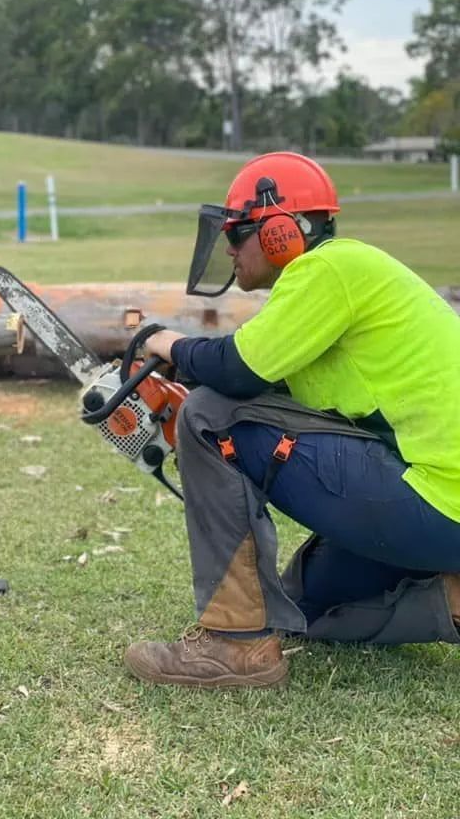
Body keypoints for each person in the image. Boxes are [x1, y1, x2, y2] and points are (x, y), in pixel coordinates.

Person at [124, 151, 460, 690]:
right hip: (441, 507)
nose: (230, 249)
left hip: (437, 497)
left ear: (282, 230)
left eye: (238, 234)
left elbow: (236, 368)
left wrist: (168, 342)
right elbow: (260, 382)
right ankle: (452, 597)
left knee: (205, 416)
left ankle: (234, 645)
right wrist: (189, 366)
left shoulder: (328, 268)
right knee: (304, 606)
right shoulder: (334, 283)